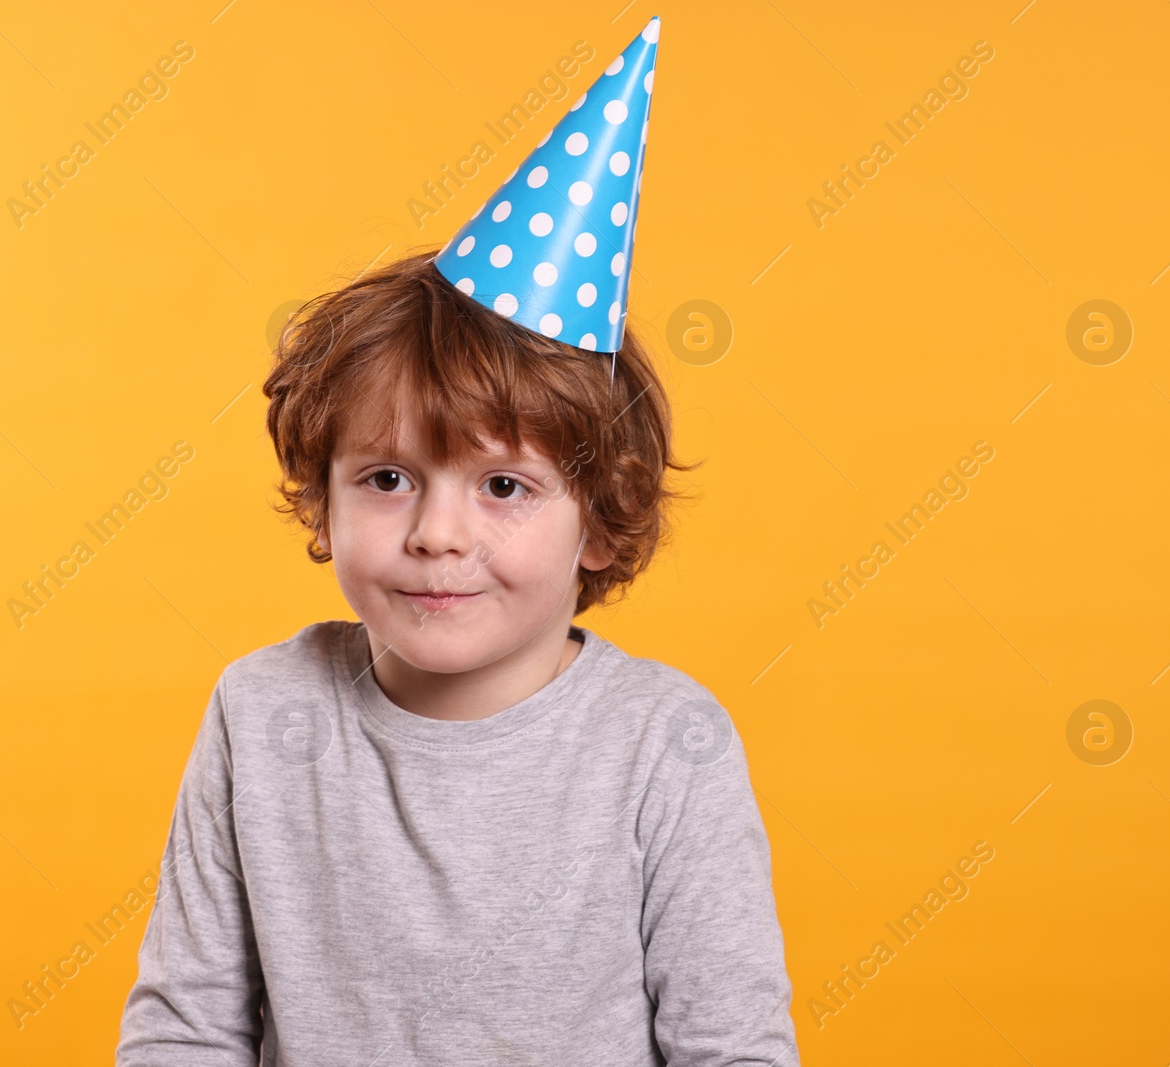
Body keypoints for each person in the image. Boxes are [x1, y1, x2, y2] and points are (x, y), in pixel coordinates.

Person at [116, 17, 799, 1065]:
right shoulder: (262, 715)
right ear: (322, 497)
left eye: (504, 485)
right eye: (387, 478)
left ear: (602, 521)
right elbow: (185, 1029)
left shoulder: (664, 742)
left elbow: (733, 1046)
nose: (438, 534)